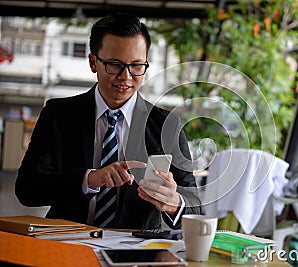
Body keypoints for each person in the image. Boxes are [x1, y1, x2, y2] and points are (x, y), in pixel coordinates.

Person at [15, 13, 202, 230]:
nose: (126, 76)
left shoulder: (166, 125)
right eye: (115, 65)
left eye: (137, 66)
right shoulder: (58, 115)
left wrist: (174, 203)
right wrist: (89, 179)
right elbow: (27, 190)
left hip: (136, 251)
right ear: (93, 62)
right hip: (67, 241)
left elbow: (196, 207)